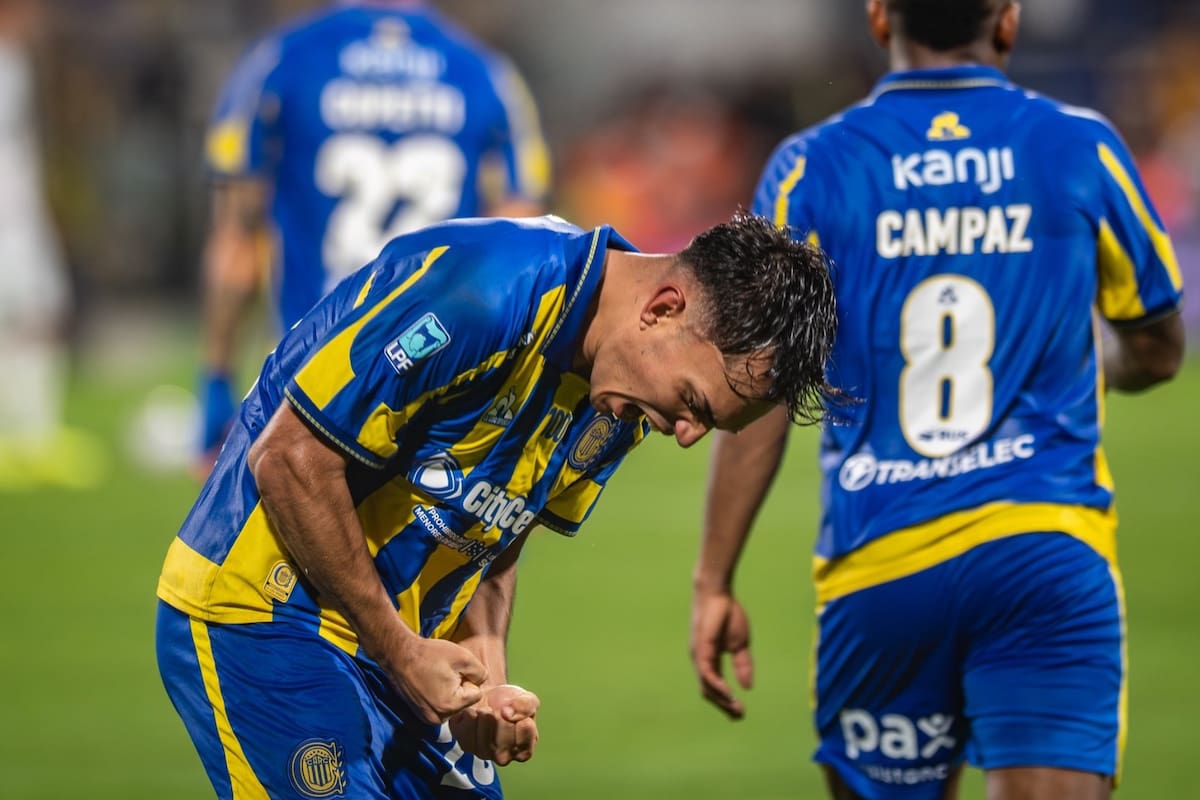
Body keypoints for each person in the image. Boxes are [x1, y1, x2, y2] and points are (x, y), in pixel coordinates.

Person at [156, 211, 839, 799]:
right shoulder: (487, 289)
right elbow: (288, 459)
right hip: (264, 615)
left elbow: (494, 530)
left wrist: (485, 677)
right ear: (662, 308)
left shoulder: (621, 396)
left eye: (707, 425)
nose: (686, 435)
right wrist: (398, 649)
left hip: (396, 646)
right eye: (693, 406)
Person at [690, 2, 1186, 799]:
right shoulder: (1079, 145)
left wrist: (713, 581)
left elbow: (761, 385)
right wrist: (1108, 361)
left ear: (880, 18)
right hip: (1043, 544)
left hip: (881, 565)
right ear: (1010, 20)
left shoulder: (810, 167)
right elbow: (1159, 346)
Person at [198, 0, 550, 468]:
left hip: (312, 365)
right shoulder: (483, 70)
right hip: (441, 360)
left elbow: (238, 237)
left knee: (300, 527)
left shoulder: (281, 59)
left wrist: (217, 386)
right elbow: (521, 229)